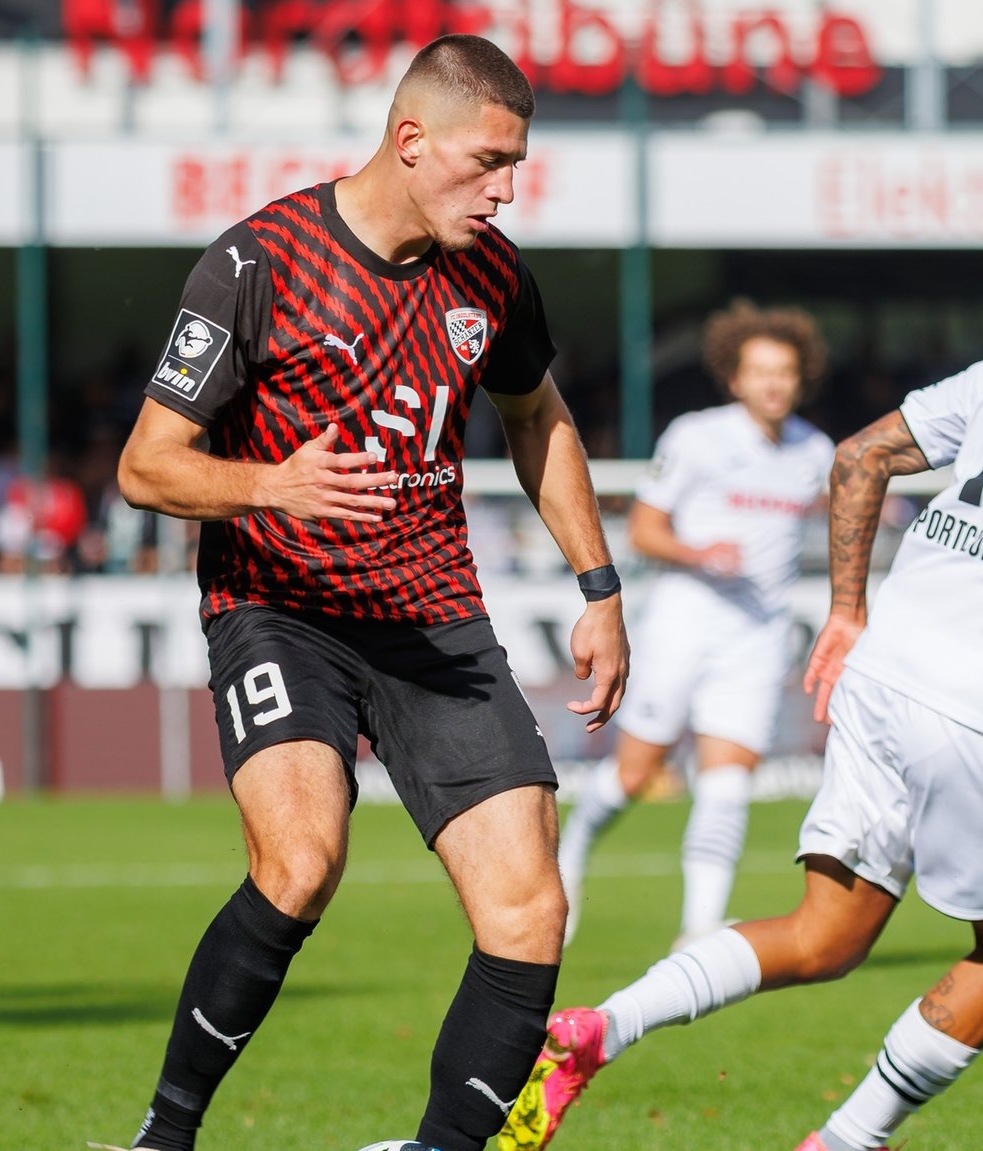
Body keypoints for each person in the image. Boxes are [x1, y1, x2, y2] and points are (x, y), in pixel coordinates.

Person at [497, 205, 983, 1151]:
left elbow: (860, 455)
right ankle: (844, 1142)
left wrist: (845, 609)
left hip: (884, 669)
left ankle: (596, 1028)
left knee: (828, 933)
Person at [108, 36, 628, 1151]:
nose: (503, 190)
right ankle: (164, 1134)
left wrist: (599, 583)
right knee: (299, 862)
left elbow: (534, 415)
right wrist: (267, 483)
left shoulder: (492, 274)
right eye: (487, 162)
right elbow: (144, 465)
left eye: (516, 167)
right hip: (278, 605)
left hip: (429, 615)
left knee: (531, 906)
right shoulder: (258, 264)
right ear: (409, 140)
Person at [557, 302, 834, 951]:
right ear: (733, 379)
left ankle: (699, 926)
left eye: (784, 372)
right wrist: (700, 553)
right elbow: (645, 527)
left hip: (760, 634)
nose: (772, 383)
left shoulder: (813, 451)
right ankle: (574, 844)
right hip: (685, 620)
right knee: (635, 773)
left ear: (800, 379)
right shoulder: (696, 436)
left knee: (728, 777)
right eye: (759, 371)